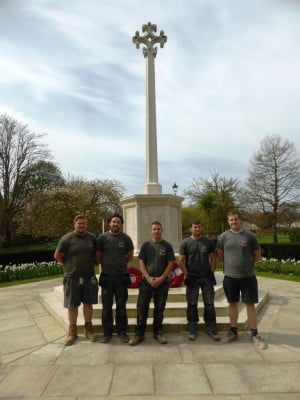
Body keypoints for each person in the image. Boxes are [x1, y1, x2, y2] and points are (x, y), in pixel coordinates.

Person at [216, 211, 266, 348]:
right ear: (228, 221)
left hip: (248, 277)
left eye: (235, 220)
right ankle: (233, 331)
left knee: (250, 305)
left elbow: (256, 255)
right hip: (230, 278)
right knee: (232, 304)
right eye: (231, 220)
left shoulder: (250, 236)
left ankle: (255, 333)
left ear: (240, 220)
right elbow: (220, 254)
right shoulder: (223, 237)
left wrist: (246, 266)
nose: (233, 222)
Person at [54, 215, 99, 346]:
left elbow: (96, 255)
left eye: (84, 223)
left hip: (88, 277)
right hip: (72, 278)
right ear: (74, 224)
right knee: (72, 305)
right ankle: (72, 332)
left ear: (86, 225)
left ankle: (88, 330)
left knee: (88, 304)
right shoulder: (67, 239)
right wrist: (68, 265)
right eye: (79, 223)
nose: (81, 225)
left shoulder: (92, 238)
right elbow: (57, 256)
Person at [129, 221, 175, 346]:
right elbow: (141, 262)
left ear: (162, 230)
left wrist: (161, 278)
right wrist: (148, 278)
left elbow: (171, 264)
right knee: (142, 308)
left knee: (159, 309)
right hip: (146, 282)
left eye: (158, 229)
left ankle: (158, 333)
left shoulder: (167, 246)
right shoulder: (145, 245)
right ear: (151, 231)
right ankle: (139, 334)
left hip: (162, 282)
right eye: (154, 229)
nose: (156, 231)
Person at [178, 220, 219, 341]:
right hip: (192, 278)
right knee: (192, 304)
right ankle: (192, 329)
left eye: (199, 227)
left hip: (206, 278)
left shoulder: (208, 242)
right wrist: (186, 274)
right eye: (194, 227)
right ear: (190, 228)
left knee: (210, 304)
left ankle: (211, 328)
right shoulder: (185, 243)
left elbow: (213, 259)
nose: (197, 229)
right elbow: (180, 261)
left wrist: (211, 273)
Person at [97, 213, 134, 343]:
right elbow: (98, 256)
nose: (116, 224)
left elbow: (129, 256)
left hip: (121, 278)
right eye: (113, 222)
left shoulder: (126, 239)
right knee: (106, 307)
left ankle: (122, 332)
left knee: (121, 307)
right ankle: (107, 333)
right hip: (107, 277)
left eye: (118, 222)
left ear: (121, 224)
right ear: (109, 223)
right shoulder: (102, 238)